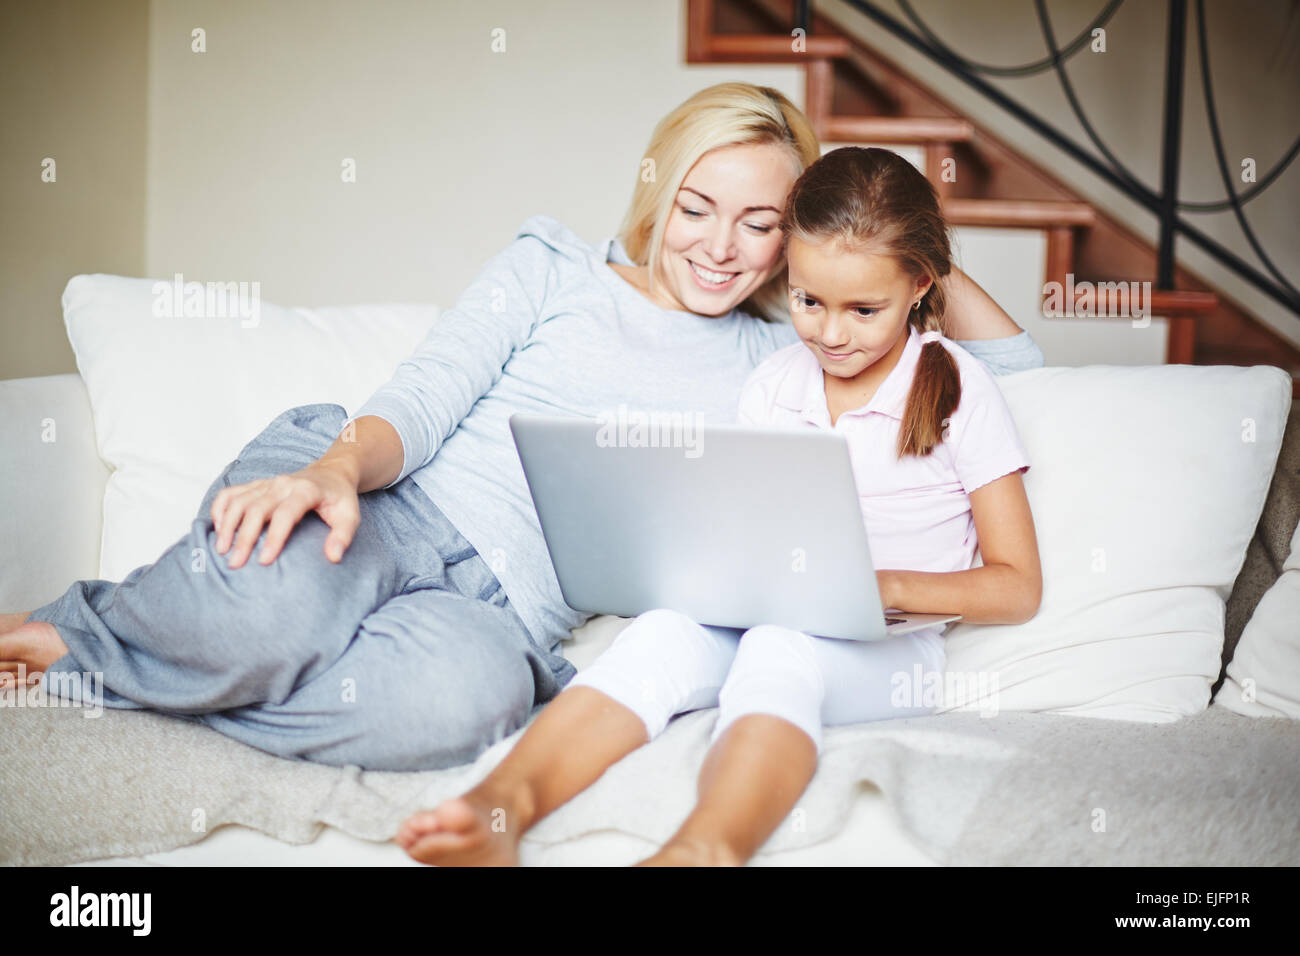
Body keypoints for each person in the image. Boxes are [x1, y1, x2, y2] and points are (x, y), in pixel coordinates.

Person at [0, 86, 1043, 773]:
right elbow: (424, 393)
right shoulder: (552, 267)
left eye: (761, 223)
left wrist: (914, 256)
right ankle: (86, 633)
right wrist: (332, 469)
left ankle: (121, 685)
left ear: (794, 240)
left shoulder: (775, 361)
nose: (720, 247)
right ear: (657, 191)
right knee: (262, 616)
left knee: (459, 713)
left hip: (501, 615)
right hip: (387, 502)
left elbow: (1010, 372)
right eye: (696, 206)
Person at [394, 146, 1043, 866]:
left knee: (781, 649)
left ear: (921, 282)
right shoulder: (773, 383)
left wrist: (880, 589)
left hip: (892, 648)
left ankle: (705, 850)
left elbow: (1016, 586)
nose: (831, 333)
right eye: (807, 300)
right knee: (660, 632)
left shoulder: (958, 387)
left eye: (864, 309)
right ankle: (499, 811)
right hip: (767, 606)